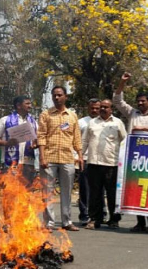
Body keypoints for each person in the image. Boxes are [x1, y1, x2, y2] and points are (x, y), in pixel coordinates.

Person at [113, 72, 148, 233]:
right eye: (138, 101)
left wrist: (146, 128)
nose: (140, 103)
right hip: (135, 159)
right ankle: (140, 222)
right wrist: (122, 83)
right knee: (136, 190)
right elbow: (117, 101)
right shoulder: (132, 113)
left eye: (143, 101)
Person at [38, 86, 83, 231]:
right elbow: (41, 136)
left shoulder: (72, 116)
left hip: (67, 158)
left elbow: (76, 137)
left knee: (66, 191)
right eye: (54, 95)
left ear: (66, 97)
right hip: (49, 158)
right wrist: (42, 157)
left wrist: (80, 155)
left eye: (59, 95)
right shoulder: (46, 114)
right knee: (47, 191)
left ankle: (67, 221)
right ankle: (49, 223)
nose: (56, 98)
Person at [82, 99, 127, 230]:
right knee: (95, 194)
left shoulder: (118, 123)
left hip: (111, 164)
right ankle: (95, 219)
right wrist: (79, 157)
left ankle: (114, 220)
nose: (102, 109)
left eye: (106, 107)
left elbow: (124, 142)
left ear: (111, 109)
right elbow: (84, 141)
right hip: (94, 163)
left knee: (112, 194)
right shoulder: (92, 123)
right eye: (101, 107)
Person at [0, 95, 38, 187]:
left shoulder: (33, 122)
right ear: (19, 105)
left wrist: (35, 144)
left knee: (26, 192)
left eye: (30, 103)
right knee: (10, 191)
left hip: (27, 162)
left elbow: (37, 139)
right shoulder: (5, 120)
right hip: (10, 162)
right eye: (27, 103)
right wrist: (6, 143)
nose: (30, 106)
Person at [77, 98, 100, 226]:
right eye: (92, 108)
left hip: (100, 160)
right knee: (84, 189)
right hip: (84, 159)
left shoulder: (103, 121)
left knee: (99, 189)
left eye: (97, 108)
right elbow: (76, 141)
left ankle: (100, 214)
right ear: (88, 108)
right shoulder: (81, 122)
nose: (95, 110)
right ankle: (84, 215)